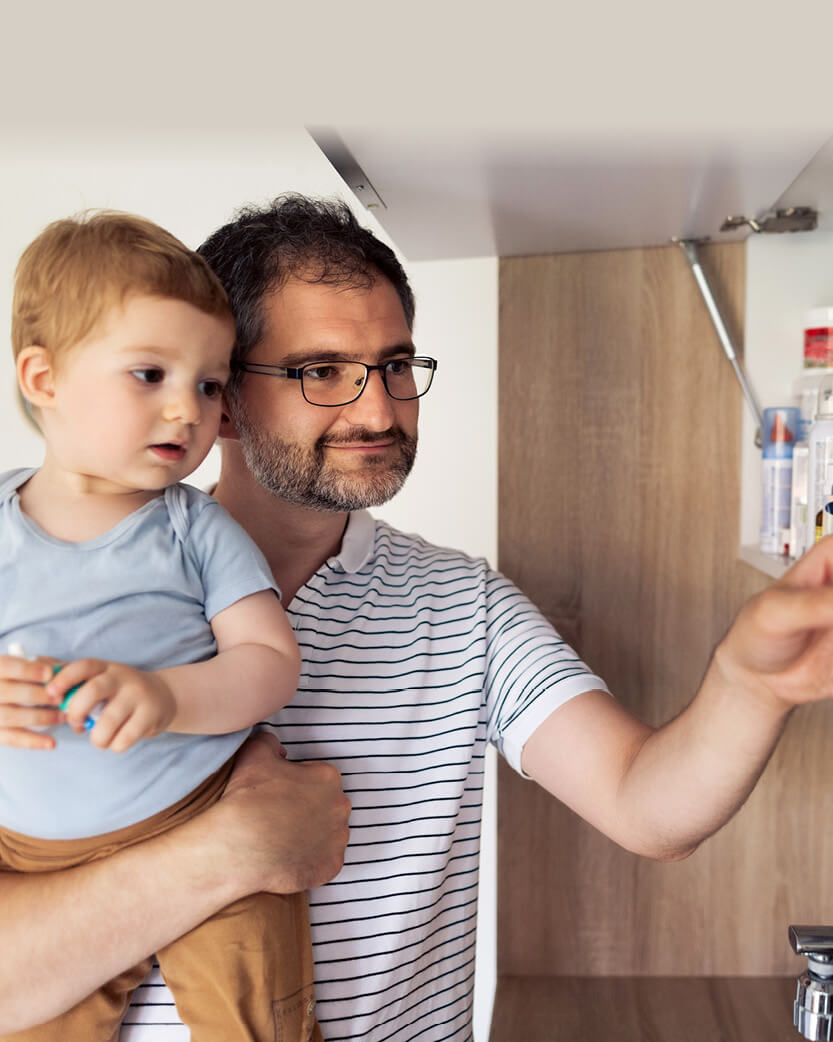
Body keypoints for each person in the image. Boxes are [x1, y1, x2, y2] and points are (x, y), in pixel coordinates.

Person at [2, 195, 833, 1042]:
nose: (377, 411)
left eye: (396, 365)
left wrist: (747, 684)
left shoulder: (459, 605)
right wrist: (225, 853)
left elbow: (648, 809)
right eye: (320, 371)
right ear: (225, 398)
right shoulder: (40, 603)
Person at [0, 211, 319, 1042]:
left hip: (199, 809)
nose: (190, 410)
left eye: (210, 385)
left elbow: (268, 661)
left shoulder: (194, 528)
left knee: (256, 1021)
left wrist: (168, 695)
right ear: (43, 378)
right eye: (150, 374)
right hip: (31, 860)